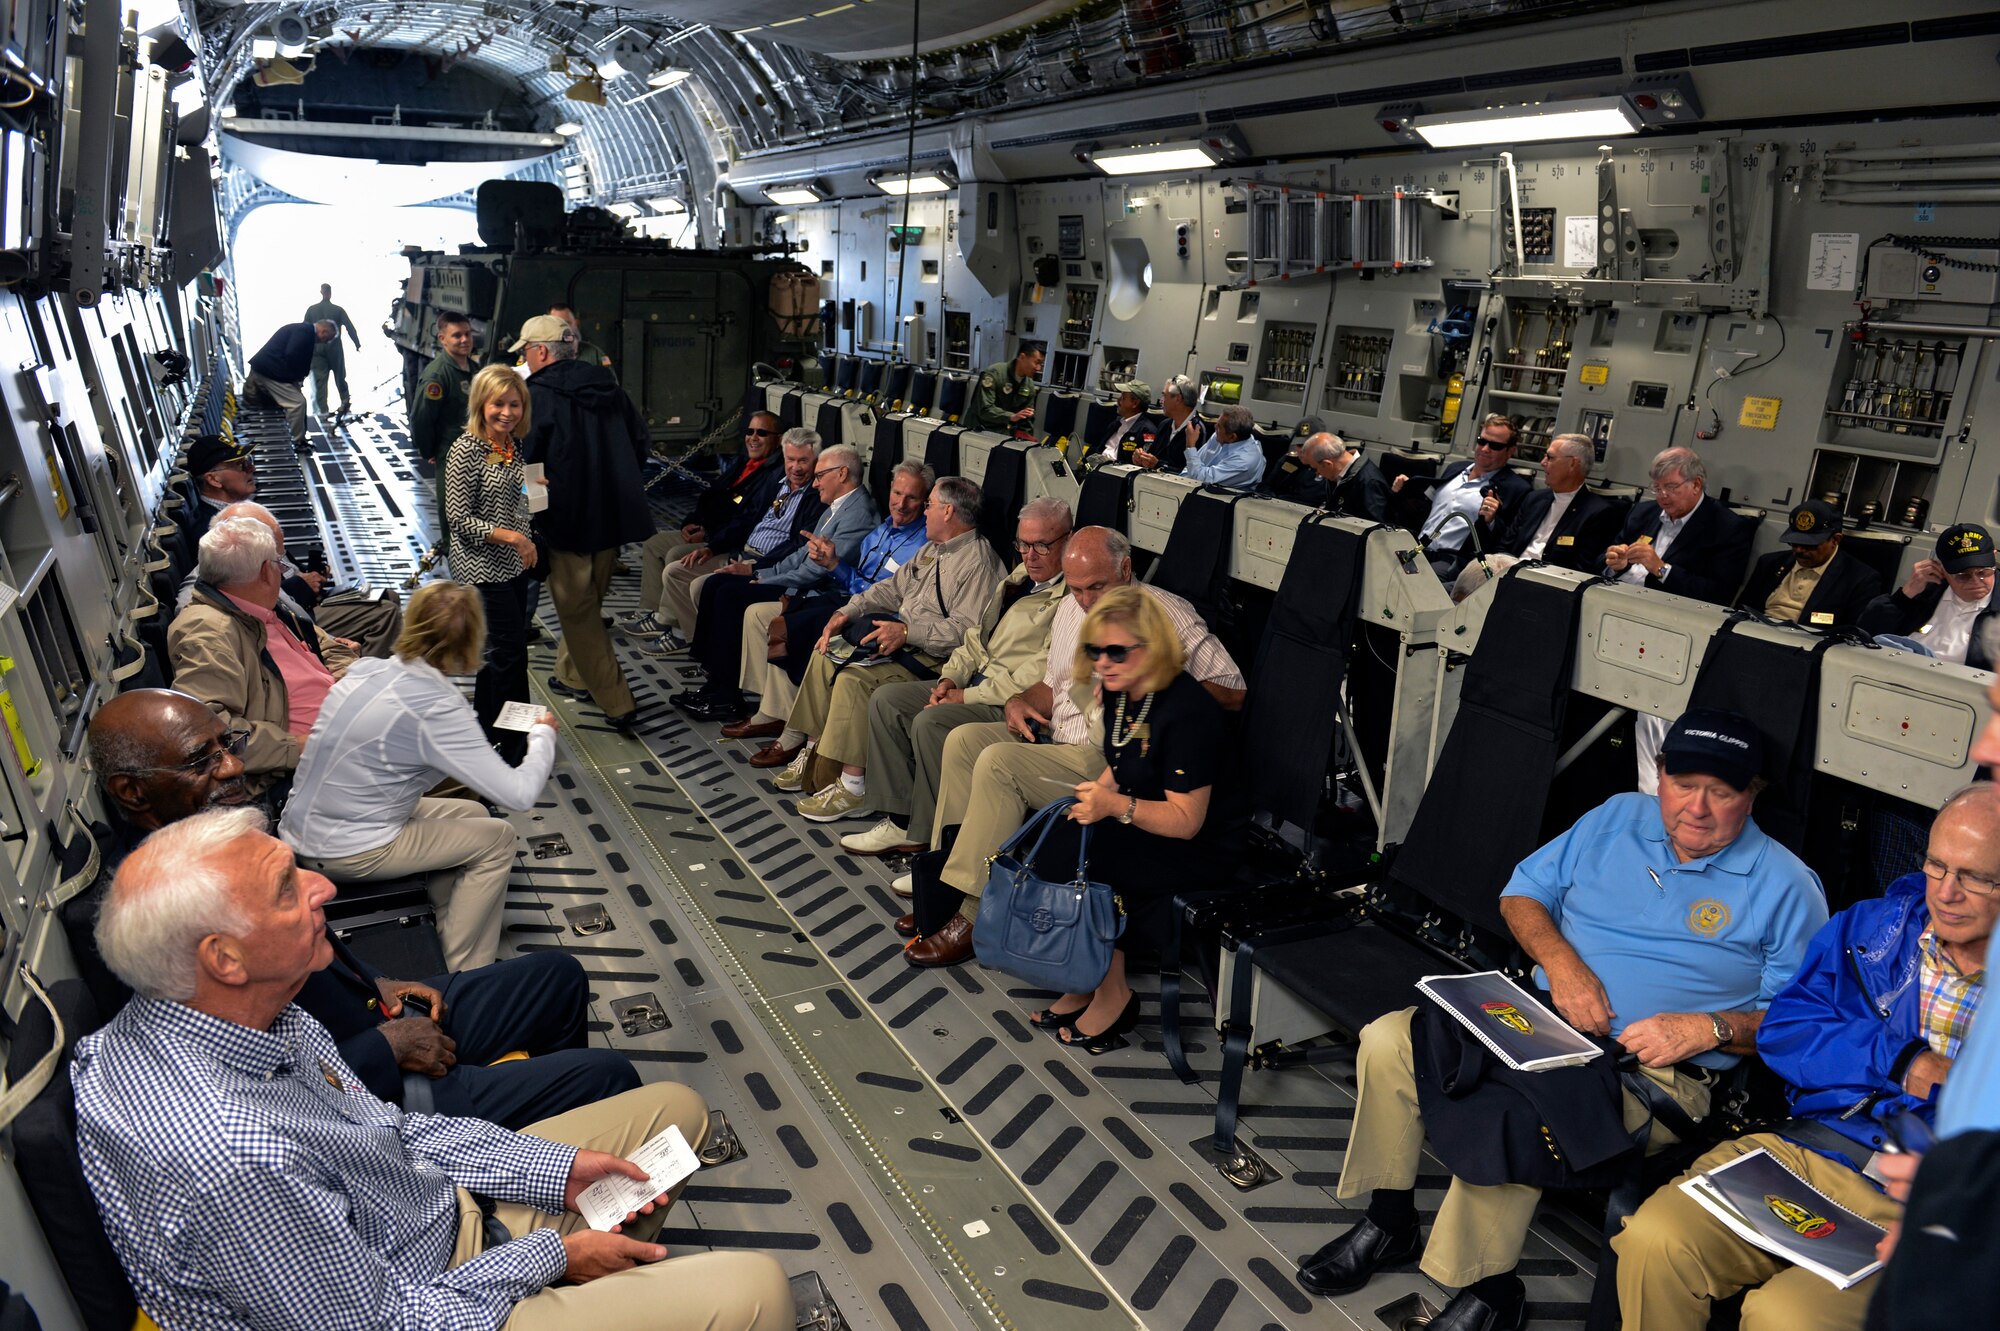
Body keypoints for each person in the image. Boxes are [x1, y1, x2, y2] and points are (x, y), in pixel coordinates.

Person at [74, 807, 793, 1331]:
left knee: (675, 1111)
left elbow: (395, 1129)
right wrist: (549, 1258)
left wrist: (557, 1170)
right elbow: (381, 1322)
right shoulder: (229, 1154)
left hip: (430, 1223)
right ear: (223, 959)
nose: (322, 884)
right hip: (419, 1300)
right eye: (287, 889)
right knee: (757, 1289)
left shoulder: (256, 1014)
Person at [1297, 709, 1827, 1331]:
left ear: (1753, 794)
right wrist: (1562, 965)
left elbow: (1801, 1025)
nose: (1697, 808)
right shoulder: (1617, 817)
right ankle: (1388, 1222)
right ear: (1661, 775)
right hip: (1541, 1016)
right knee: (1391, 1037)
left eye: (1723, 791)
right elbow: (1521, 895)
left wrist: (1707, 1028)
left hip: (1650, 1072)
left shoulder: (1788, 886)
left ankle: (1487, 1290)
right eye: (1684, 784)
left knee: (1513, 1114)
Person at [73, 688, 638, 1132]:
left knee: (557, 976)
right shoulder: (155, 915)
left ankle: (545, 1126)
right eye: (202, 759)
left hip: (372, 1009)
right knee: (608, 1076)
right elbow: (260, 1087)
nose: (231, 768)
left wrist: (379, 980)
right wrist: (384, 1051)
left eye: (228, 745)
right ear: (133, 793)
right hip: (370, 1094)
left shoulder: (219, 839)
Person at [1613, 784, 1997, 1331]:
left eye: (1976, 877)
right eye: (1936, 866)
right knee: (1657, 1240)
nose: (1946, 892)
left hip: (1934, 1199)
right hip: (1816, 1148)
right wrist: (1902, 1061)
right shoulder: (1873, 929)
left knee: (1787, 1316)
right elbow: (1787, 1031)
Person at [901, 529, 1244, 954]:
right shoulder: (1067, 608)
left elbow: (1234, 691)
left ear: (1125, 567)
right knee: (963, 741)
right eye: (1077, 588)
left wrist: (1155, 689)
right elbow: (1053, 684)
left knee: (999, 764)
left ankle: (974, 911)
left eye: (1096, 586)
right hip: (1056, 733)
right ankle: (947, 884)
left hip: (1102, 752)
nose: (1085, 599)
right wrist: (1019, 701)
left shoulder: (1164, 613)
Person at [1003, 586, 1246, 1052]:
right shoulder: (1124, 692)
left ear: (1152, 649)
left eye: (1117, 651)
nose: (1104, 662)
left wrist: (1113, 808)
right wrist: (1096, 794)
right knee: (1062, 841)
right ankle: (1085, 977)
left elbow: (1187, 821)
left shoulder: (1187, 713)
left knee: (1094, 858)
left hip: (1199, 845)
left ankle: (1113, 993)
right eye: (1095, 650)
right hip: (1144, 817)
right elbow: (1121, 762)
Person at [280, 581, 557, 973]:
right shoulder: (439, 707)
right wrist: (543, 735)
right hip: (347, 849)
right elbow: (520, 793)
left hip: (302, 825)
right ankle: (460, 972)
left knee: (471, 815)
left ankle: (442, 927)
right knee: (500, 838)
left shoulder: (366, 670)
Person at [837, 498, 1073, 855]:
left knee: (932, 722)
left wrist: (965, 697)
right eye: (1023, 544)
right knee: (887, 701)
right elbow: (977, 638)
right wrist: (950, 679)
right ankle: (901, 821)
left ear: (1066, 542)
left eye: (1042, 545)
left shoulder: (1069, 599)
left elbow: (1038, 675)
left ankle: (936, 836)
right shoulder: (1018, 579)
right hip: (972, 682)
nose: (1031, 555)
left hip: (1006, 701)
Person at [768, 476, 1005, 818]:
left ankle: (854, 787)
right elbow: (891, 589)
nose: (925, 512)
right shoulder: (932, 549)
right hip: (907, 641)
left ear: (949, 511)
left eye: (929, 505)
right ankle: (814, 756)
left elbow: (965, 633)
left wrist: (909, 631)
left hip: (938, 660)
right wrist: (845, 612)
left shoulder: (978, 563)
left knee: (855, 680)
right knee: (826, 653)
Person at [731, 461, 932, 764]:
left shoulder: (923, 543)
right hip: (843, 599)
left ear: (926, 502)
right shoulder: (881, 530)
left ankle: (795, 732)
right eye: (897, 493)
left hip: (872, 616)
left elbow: (886, 596)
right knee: (763, 615)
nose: (901, 504)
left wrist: (836, 567)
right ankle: (773, 710)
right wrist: (830, 563)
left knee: (791, 626)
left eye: (912, 498)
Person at [513, 315, 649, 730]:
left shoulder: (535, 396)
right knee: (590, 601)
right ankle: (572, 674)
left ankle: (617, 701)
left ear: (541, 351)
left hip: (566, 523)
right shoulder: (609, 387)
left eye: (525, 351)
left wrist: (532, 521)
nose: (524, 359)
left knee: (578, 614)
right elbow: (640, 443)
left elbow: (529, 465)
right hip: (612, 520)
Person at [673, 444, 876, 719]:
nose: (815, 484)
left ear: (842, 474)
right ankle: (715, 683)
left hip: (815, 590)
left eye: (820, 476)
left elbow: (817, 571)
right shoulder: (836, 508)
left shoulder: (857, 514)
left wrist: (765, 579)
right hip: (798, 578)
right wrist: (762, 573)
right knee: (715, 585)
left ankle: (726, 696)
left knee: (730, 596)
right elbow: (803, 553)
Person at [167, 516, 357, 799]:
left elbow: (324, 645)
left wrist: (351, 685)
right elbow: (209, 731)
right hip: (301, 771)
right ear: (268, 572)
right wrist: (305, 745)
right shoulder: (208, 633)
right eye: (279, 564)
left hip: (345, 728)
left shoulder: (257, 604)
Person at [1608, 446, 1759, 794]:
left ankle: (1655, 794)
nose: (1662, 496)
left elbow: (1717, 595)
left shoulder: (1728, 527)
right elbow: (1614, 555)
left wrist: (1661, 569)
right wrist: (1614, 563)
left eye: (1671, 487)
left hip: (1672, 630)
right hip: (1619, 612)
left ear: (1696, 484)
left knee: (1653, 712)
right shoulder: (1642, 514)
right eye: (1656, 487)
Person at [445, 364, 542, 753]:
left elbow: (519, 500)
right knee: (512, 656)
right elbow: (458, 517)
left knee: (501, 654)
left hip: (513, 566)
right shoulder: (465, 449)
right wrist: (514, 537)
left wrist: (534, 492)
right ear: (481, 404)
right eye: (498, 403)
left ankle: (488, 731)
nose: (507, 412)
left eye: (514, 404)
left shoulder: (513, 445)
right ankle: (515, 744)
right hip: (482, 568)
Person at [624, 411, 786, 642]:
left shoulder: (772, 475)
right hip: (710, 530)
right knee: (654, 544)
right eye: (749, 431)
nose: (753, 437)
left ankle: (674, 625)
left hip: (726, 540)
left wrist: (709, 535)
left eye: (762, 433)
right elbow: (710, 497)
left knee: (676, 556)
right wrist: (691, 521)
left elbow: (745, 519)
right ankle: (655, 613)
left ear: (778, 439)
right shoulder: (743, 462)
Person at [656, 430, 822, 650]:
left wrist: (755, 568)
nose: (796, 467)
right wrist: (712, 548)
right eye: (791, 460)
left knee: (702, 587)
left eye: (804, 461)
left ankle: (711, 649)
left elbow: (798, 547)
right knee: (676, 572)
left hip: (768, 565)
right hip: (742, 552)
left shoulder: (817, 496)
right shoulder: (775, 482)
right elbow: (745, 519)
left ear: (817, 462)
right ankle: (698, 642)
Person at [1393, 413, 1530, 578]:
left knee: (1413, 581)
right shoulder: (1456, 468)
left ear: (1510, 451)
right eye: (1482, 441)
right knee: (1380, 569)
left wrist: (1491, 521)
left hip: (1453, 561)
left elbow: (1507, 540)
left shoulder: (1515, 488)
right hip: (1418, 547)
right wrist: (1407, 488)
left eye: (1495, 446)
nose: (1485, 449)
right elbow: (1427, 508)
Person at [1857, 523, 1998, 668]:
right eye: (1963, 576)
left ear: (1994, 556)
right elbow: (1865, 634)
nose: (1975, 581)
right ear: (1943, 569)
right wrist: (1905, 595)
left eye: (1983, 572)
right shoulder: (1927, 591)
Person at [1738, 499, 1885, 631]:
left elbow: (1852, 635)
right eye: (1794, 543)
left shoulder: (1859, 579)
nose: (1799, 550)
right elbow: (1742, 611)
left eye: (1810, 545)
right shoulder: (1770, 563)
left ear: (1835, 540)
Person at [1495, 432, 1624, 573]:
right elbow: (1504, 546)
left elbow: (1580, 570)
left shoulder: (1598, 513)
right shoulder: (1534, 499)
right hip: (1508, 572)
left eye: (1550, 457)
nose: (1542, 463)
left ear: (1572, 464)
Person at [243, 318, 337, 445]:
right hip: (269, 372)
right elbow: (292, 355)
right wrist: (295, 378)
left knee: (298, 400)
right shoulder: (305, 332)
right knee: (297, 403)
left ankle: (299, 436)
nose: (324, 343)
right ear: (324, 332)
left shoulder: (303, 330)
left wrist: (296, 379)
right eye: (327, 339)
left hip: (266, 370)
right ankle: (296, 440)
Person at [410, 310, 478, 473]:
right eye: (457, 335)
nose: (465, 340)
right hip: (451, 456)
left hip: (476, 453)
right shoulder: (437, 376)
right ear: (442, 339)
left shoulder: (474, 369)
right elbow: (422, 418)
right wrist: (429, 451)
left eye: (468, 334)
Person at [1265, 431, 1391, 519]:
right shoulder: (1341, 475)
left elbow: (1374, 531)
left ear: (1327, 464)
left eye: (1315, 468)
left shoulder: (1368, 482)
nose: (1317, 473)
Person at [304, 283, 362, 417]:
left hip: (317, 351)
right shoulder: (338, 310)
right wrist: (357, 343)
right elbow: (350, 327)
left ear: (321, 292)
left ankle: (322, 412)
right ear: (330, 293)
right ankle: (345, 405)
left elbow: (304, 330)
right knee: (340, 378)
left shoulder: (312, 310)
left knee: (320, 382)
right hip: (335, 350)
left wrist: (305, 350)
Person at [1181, 404, 1268, 488]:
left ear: (1232, 436)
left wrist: (1190, 445)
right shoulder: (1219, 436)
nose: (1215, 427)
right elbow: (1192, 467)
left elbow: (1198, 480)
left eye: (1219, 426)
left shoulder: (1244, 462)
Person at [183, 432, 257, 530]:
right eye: (240, 465)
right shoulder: (217, 533)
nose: (252, 468)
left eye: (248, 461)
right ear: (213, 479)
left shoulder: (231, 514)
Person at [1133, 374, 1205, 473]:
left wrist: (1158, 465)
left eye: (1164, 395)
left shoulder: (1198, 430)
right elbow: (1152, 456)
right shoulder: (1164, 425)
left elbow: (1193, 473)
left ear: (1178, 399)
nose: (1161, 401)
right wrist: (1141, 458)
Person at [966, 342, 1044, 433]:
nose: (1038, 368)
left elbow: (1026, 420)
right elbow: (985, 409)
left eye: (1041, 364)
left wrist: (1026, 441)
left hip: (1001, 432)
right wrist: (1011, 417)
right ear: (1022, 357)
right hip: (977, 429)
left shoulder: (1028, 385)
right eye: (1036, 362)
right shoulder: (995, 373)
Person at [1089, 380, 1163, 466]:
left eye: (1123, 398)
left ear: (1135, 403)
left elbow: (1142, 464)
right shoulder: (1115, 423)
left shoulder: (1147, 432)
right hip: (1096, 468)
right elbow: (1098, 449)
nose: (1118, 401)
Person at [551, 303, 616, 378]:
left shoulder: (596, 354)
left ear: (576, 323)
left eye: (567, 323)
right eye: (556, 324)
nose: (562, 329)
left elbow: (612, 384)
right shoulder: (543, 354)